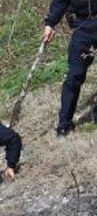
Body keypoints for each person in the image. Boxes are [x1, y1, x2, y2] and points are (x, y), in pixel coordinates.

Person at [42, 0, 97, 137]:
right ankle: (64, 125)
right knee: (74, 76)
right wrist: (50, 24)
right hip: (83, 28)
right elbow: (60, 2)